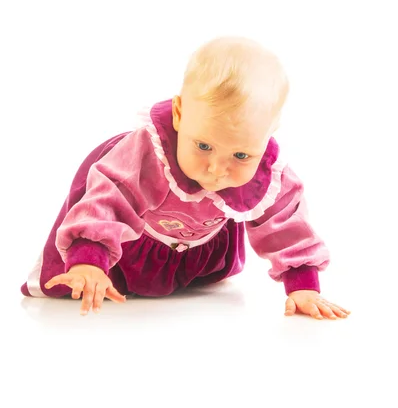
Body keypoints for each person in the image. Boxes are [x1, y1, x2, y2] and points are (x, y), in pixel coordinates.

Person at [21, 36, 350, 320]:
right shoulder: (149, 156)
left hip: (197, 256)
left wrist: (303, 285)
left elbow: (287, 226)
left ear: (268, 136)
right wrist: (88, 262)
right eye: (203, 145)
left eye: (240, 156)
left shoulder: (269, 174)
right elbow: (110, 198)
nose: (216, 170)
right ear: (179, 114)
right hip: (130, 253)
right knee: (95, 251)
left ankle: (188, 271)